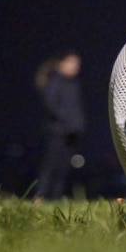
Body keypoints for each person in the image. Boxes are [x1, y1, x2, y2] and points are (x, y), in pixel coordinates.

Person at [33, 49, 85, 201]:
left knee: (64, 168)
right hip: (57, 131)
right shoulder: (55, 80)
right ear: (62, 63)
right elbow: (51, 105)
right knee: (50, 166)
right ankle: (40, 197)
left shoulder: (73, 84)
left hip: (71, 132)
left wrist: (78, 125)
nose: (76, 67)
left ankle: (56, 198)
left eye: (77, 64)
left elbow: (76, 108)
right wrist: (67, 121)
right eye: (72, 63)